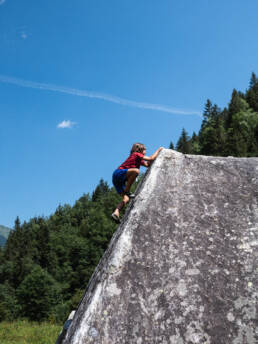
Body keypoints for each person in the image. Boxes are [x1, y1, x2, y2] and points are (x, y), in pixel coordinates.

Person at [111, 143, 163, 223]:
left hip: (118, 180)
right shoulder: (136, 154)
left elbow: (147, 164)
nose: (146, 151)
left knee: (126, 199)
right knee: (136, 171)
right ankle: (127, 191)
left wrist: (150, 161)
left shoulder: (138, 158)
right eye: (145, 149)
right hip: (118, 173)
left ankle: (116, 212)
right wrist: (159, 150)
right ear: (140, 150)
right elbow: (150, 158)